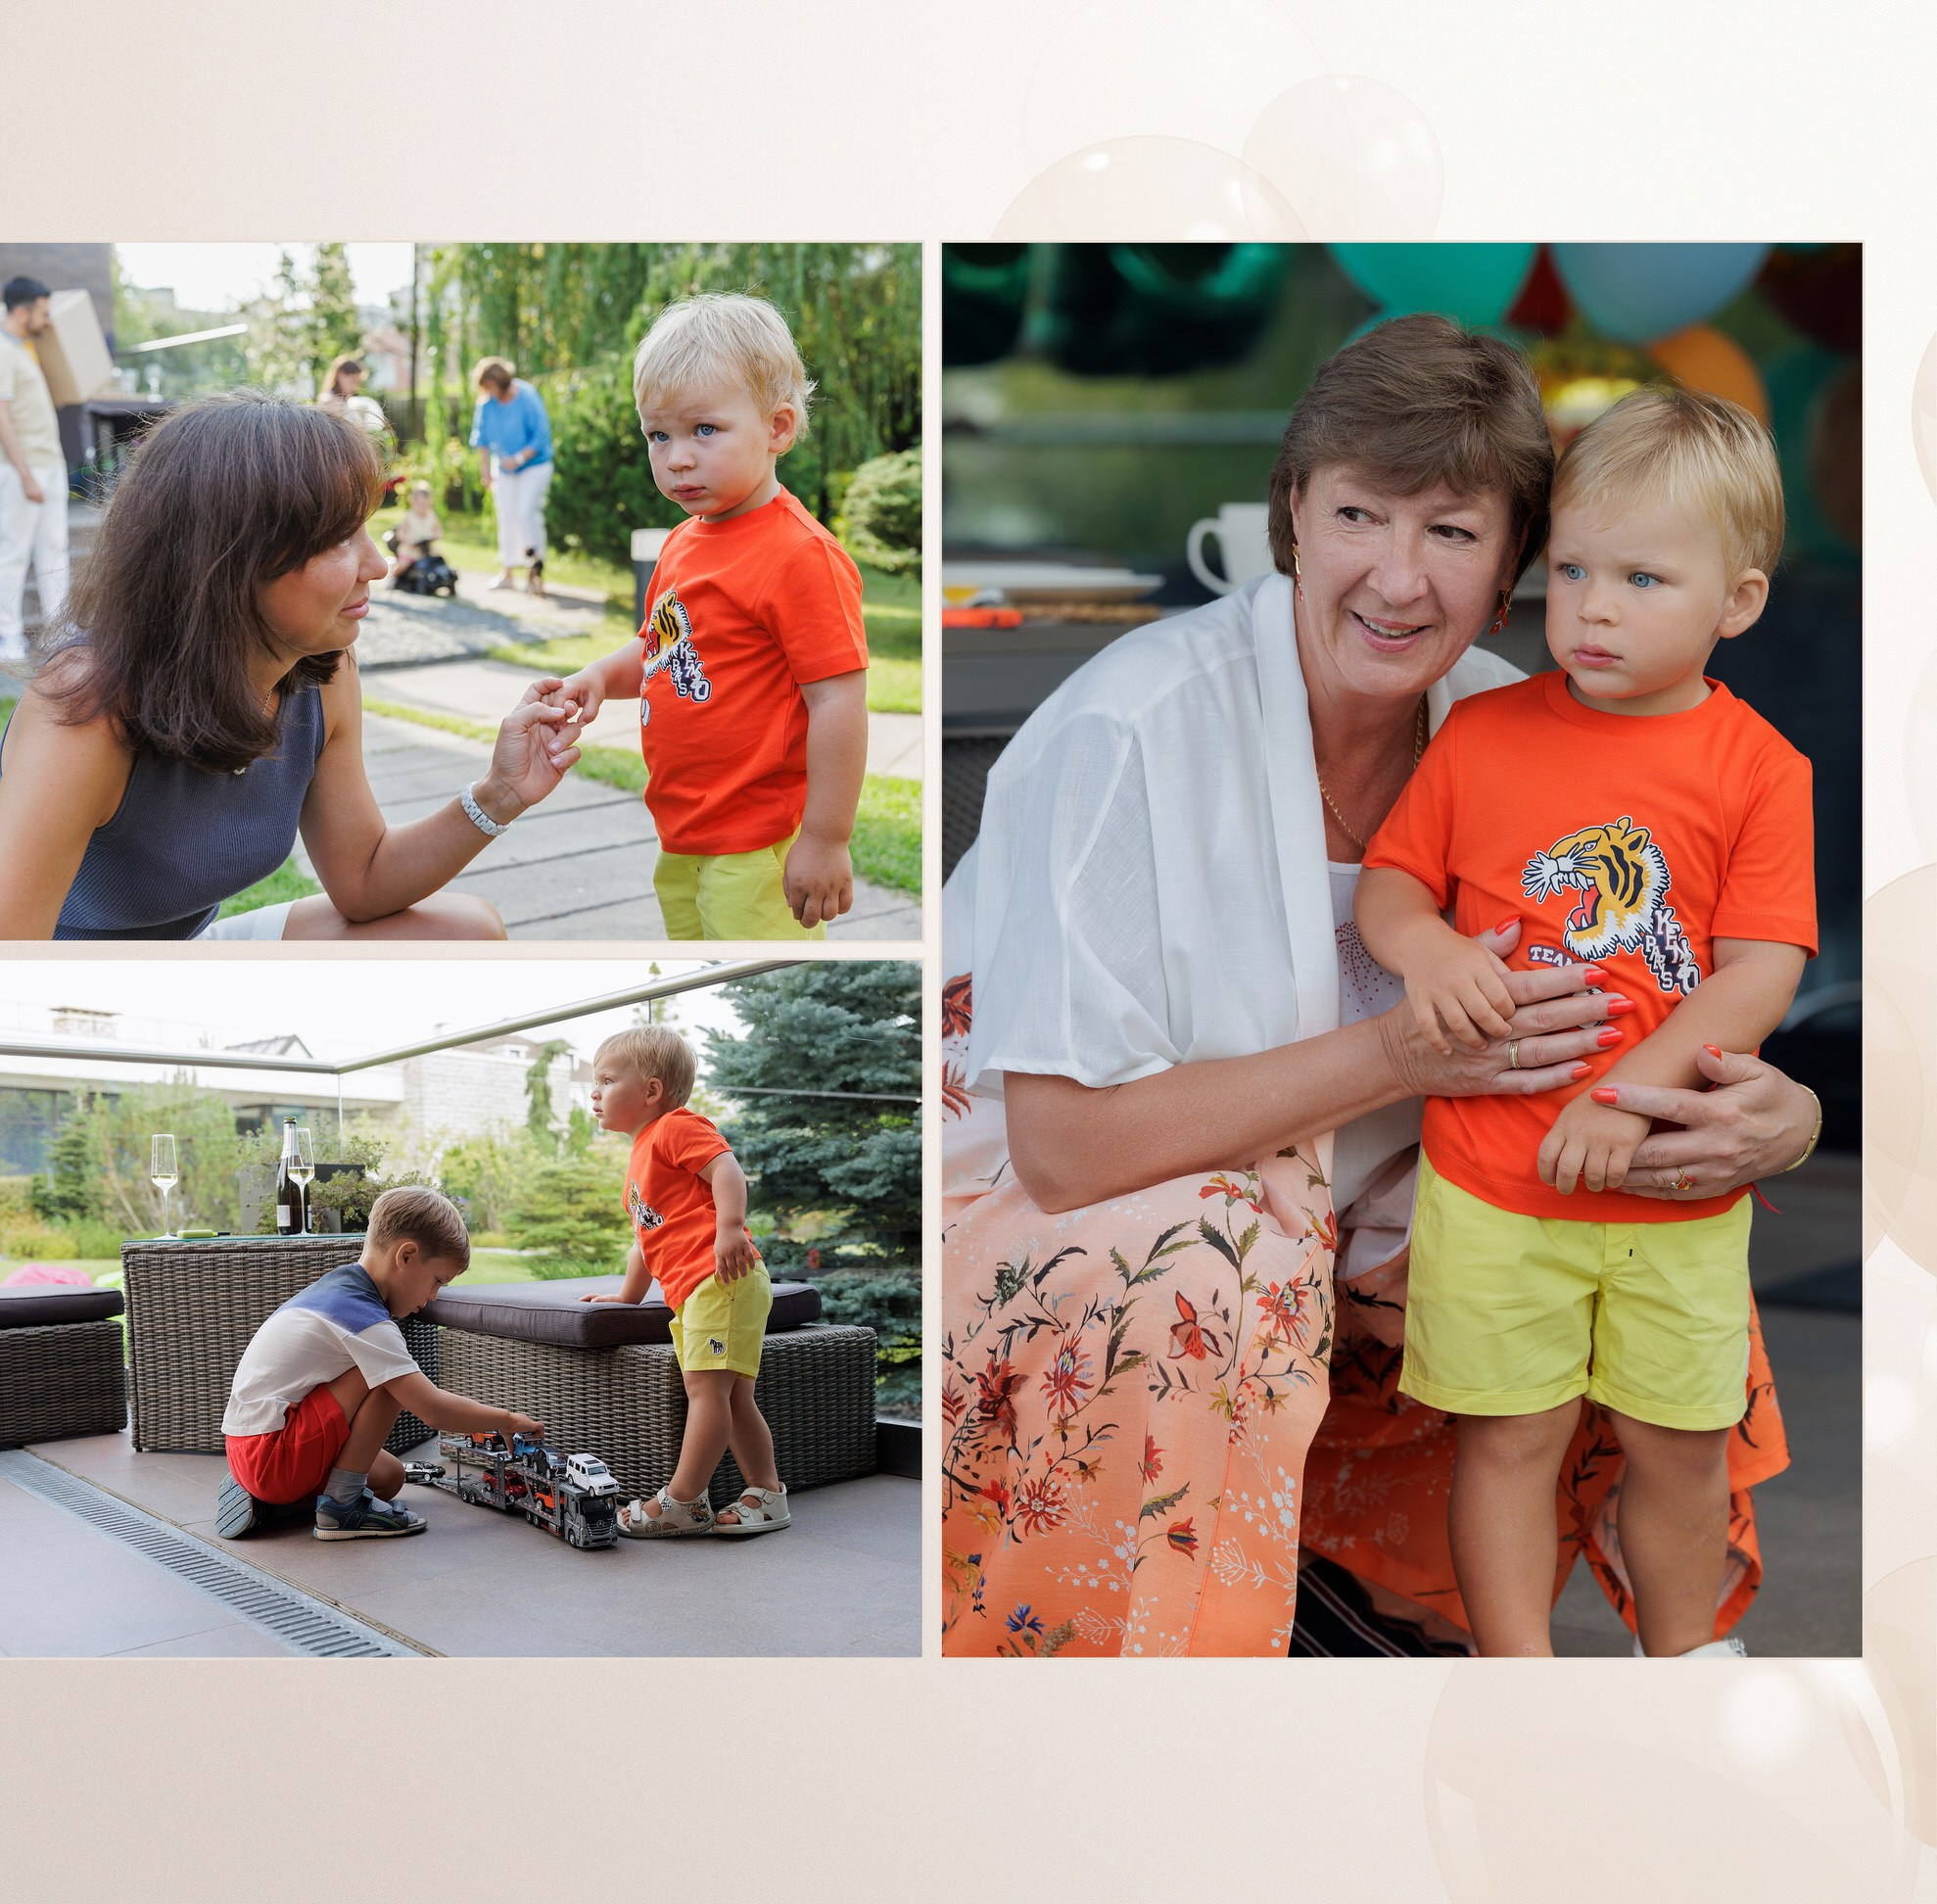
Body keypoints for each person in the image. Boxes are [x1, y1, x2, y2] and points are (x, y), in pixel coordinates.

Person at [938, 314, 1822, 1658]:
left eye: (1453, 534)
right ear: (1291, 511)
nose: (1397, 581)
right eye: (1358, 514)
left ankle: (1487, 1637)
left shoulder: (1513, 724)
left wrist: (1779, 1117)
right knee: (1220, 1263)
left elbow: (1672, 991)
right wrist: (1405, 1060)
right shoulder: (1132, 728)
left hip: (1346, 1184)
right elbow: (1063, 1151)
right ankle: (1168, 1662)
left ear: (1514, 559)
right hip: (1054, 1202)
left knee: (1631, 1211)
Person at [1356, 388, 1815, 1659]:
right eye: (1570, 569)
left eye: (1642, 578)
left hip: (1670, 1191)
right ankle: (1518, 1685)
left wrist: (1622, 1100)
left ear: (1736, 601)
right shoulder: (1480, 734)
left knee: (1675, 1448)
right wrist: (1428, 947)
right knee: (1508, 1440)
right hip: (1493, 1193)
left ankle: (1685, 1671)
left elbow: (1756, 974)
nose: (1594, 605)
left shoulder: (1760, 768)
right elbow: (1393, 883)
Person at [0, 391, 584, 940]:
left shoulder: (321, 671)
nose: (377, 565)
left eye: (368, 529)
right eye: (338, 540)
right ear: (230, 561)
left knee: (467, 932)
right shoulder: (88, 708)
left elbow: (364, 879)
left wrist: (499, 793)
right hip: (72, 977)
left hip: (188, 951)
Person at [549, 294, 869, 940]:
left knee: (762, 976)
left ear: (777, 428)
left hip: (759, 843)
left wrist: (826, 839)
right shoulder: (682, 542)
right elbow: (661, 647)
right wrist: (597, 678)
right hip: (684, 832)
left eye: (704, 430)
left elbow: (839, 701)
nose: (678, 457)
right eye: (658, 435)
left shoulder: (800, 556)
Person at [217, 1187, 546, 1541]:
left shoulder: (339, 1289)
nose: (433, 1297)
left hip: (246, 1452)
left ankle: (270, 1504)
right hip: (272, 1455)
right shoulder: (363, 1318)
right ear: (406, 1255)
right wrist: (507, 1420)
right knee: (389, 1378)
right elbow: (432, 1409)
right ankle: (340, 1509)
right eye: (437, 1281)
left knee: (390, 1478)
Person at [578, 1026, 789, 1537]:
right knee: (733, 1395)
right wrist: (627, 1296)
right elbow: (647, 1240)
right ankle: (767, 1495)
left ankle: (683, 1501)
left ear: (650, 1091)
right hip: (702, 1290)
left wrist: (730, 1228)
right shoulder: (641, 1156)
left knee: (707, 1392)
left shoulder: (675, 1126)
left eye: (607, 1080)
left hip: (722, 1279)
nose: (595, 1092)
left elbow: (727, 1169)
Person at [0, 277, 68, 666]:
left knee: (54, 551)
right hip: (23, 469)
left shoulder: (26, 349)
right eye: (43, 311)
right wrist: (25, 474)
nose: (48, 319)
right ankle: (8, 636)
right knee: (14, 553)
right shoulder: (4, 352)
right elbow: (3, 419)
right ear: (22, 311)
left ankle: (57, 630)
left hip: (51, 463)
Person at [469, 357, 553, 595]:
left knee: (526, 513)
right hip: (504, 469)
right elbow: (481, 438)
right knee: (506, 516)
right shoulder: (487, 403)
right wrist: (485, 469)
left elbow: (541, 437)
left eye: (489, 386)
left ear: (499, 382)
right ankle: (507, 572)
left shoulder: (527, 396)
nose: (487, 392)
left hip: (534, 466)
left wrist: (517, 459)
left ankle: (535, 568)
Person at [316, 355, 389, 441]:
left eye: (357, 383)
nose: (355, 387)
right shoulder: (331, 402)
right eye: (352, 381)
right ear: (341, 375)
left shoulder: (343, 401)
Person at [389, 478, 445, 586]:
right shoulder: (409, 516)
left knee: (440, 560)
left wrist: (436, 535)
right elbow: (401, 533)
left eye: (426, 505)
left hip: (426, 549)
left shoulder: (431, 515)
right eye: (420, 505)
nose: (423, 508)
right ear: (413, 502)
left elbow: (438, 529)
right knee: (403, 565)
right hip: (410, 549)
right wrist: (408, 540)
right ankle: (393, 577)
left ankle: (437, 581)